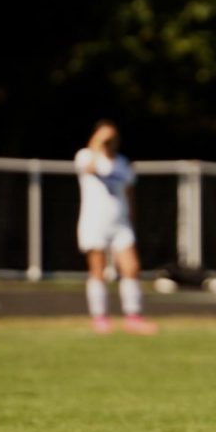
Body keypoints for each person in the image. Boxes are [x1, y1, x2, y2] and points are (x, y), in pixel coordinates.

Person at [75, 120, 157, 334]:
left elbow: (129, 193)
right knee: (98, 270)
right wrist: (97, 142)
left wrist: (132, 217)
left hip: (120, 223)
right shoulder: (86, 156)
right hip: (94, 222)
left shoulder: (122, 163)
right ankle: (100, 318)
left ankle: (133, 316)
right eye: (105, 137)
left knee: (131, 268)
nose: (110, 142)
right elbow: (90, 167)